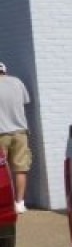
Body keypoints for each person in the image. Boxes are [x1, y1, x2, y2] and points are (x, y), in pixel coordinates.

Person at [0, 62, 31, 213]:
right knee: (20, 169)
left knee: (1, 170)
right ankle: (19, 204)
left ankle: (4, 203)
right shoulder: (17, 82)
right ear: (5, 71)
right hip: (20, 132)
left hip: (1, 134)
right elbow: (26, 102)